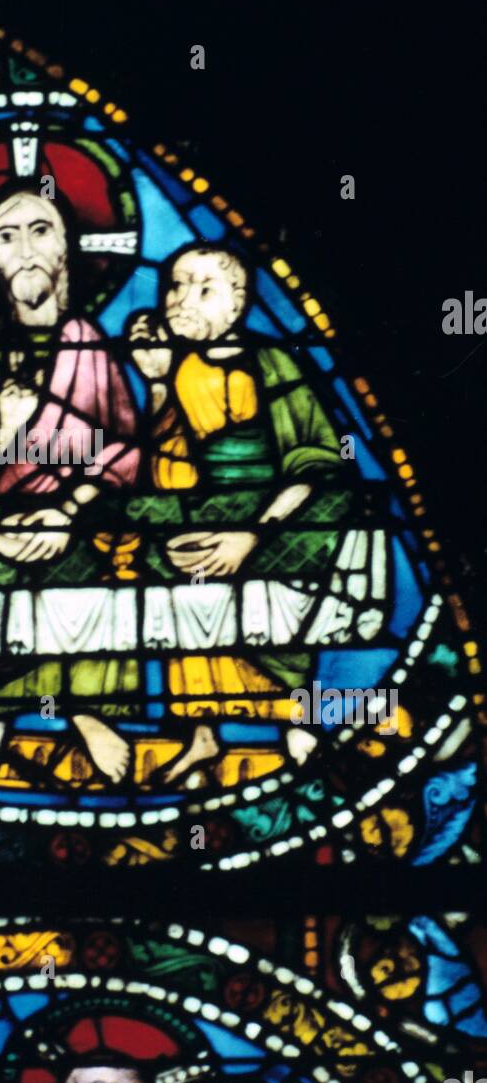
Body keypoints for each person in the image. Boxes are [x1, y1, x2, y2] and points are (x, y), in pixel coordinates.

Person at [0, 180, 141, 794]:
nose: (23, 248)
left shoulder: (90, 342)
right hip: (0, 518)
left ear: (66, 249)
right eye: (6, 235)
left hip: (76, 519)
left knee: (100, 568)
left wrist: (68, 510)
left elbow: (127, 450)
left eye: (40, 230)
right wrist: (5, 438)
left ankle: (87, 712)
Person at [128, 245, 354, 785]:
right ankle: (202, 735)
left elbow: (313, 463)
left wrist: (250, 536)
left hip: (280, 514)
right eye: (176, 287)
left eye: (203, 288)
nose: (183, 300)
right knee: (175, 580)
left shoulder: (275, 362)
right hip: (207, 511)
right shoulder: (178, 369)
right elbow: (165, 472)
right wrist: (157, 382)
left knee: (268, 592)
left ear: (238, 303)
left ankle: (295, 722)